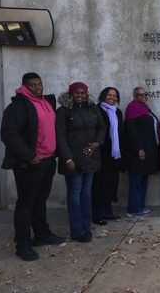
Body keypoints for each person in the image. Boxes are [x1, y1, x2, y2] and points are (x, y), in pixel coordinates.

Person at [1, 72, 66, 261]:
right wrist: (29, 156)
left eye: (39, 84)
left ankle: (42, 234)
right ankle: (22, 244)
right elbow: (9, 134)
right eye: (33, 85)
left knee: (40, 200)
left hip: (47, 161)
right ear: (24, 86)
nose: (38, 88)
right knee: (25, 203)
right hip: (30, 163)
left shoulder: (46, 102)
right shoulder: (18, 107)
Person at [56, 82, 106, 243]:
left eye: (83, 93)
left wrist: (98, 143)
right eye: (76, 93)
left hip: (90, 158)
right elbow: (60, 137)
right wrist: (68, 159)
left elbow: (101, 128)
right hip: (73, 160)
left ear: (87, 94)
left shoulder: (92, 108)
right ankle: (77, 231)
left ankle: (86, 226)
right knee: (75, 195)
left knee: (86, 194)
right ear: (70, 94)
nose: (80, 96)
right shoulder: (63, 111)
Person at [124, 87, 159, 217]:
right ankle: (133, 209)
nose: (144, 96)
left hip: (147, 149)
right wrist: (139, 149)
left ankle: (139, 205)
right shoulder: (132, 109)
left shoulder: (144, 109)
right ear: (135, 96)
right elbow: (132, 131)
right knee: (136, 179)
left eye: (146, 94)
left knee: (143, 178)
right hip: (137, 152)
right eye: (141, 95)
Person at [93, 87, 125, 225]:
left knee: (111, 183)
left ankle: (108, 212)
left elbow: (120, 132)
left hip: (114, 153)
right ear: (103, 96)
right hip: (101, 152)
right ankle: (97, 214)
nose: (112, 98)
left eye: (115, 96)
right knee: (99, 184)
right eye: (109, 95)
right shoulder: (97, 110)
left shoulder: (117, 112)